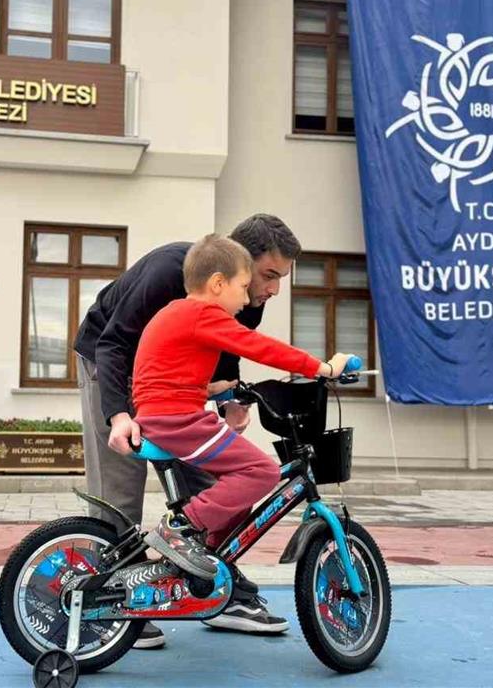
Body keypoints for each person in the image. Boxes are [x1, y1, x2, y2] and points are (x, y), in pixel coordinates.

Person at [74, 214, 300, 646]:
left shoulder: (248, 295)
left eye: (280, 279)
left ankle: (215, 589)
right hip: (111, 364)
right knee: (120, 488)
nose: (273, 290)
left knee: (214, 483)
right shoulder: (168, 271)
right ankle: (114, 601)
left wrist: (230, 400)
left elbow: (228, 345)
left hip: (175, 384)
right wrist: (118, 415)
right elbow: (114, 341)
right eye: (270, 275)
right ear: (235, 266)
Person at [133, 235, 353, 580]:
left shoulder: (177, 312)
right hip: (178, 420)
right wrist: (323, 368)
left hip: (163, 414)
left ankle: (211, 563)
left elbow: (161, 371)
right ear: (218, 284)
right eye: (244, 287)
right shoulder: (204, 314)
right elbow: (260, 347)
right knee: (261, 472)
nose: (248, 298)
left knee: (239, 495)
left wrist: (210, 389)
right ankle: (181, 528)